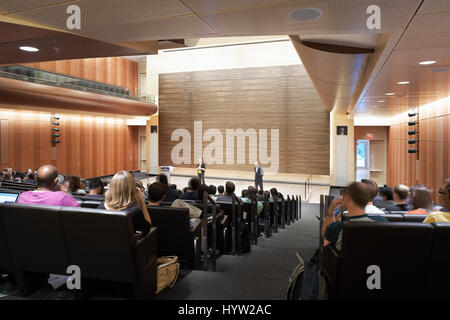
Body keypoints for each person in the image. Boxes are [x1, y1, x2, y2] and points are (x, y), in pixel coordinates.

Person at [322, 182, 388, 251]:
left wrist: (331, 211)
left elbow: (325, 244)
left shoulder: (337, 227)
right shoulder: (383, 221)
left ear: (348, 198)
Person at [98, 171, 151, 236]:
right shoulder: (135, 212)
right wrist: (142, 202)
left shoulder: (100, 207)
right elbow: (147, 229)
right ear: (132, 189)